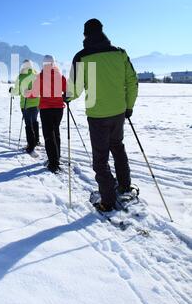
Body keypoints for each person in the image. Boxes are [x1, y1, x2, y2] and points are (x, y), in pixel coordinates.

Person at [67, 19, 138, 212]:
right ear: (102, 32)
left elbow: (75, 87)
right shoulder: (120, 53)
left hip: (98, 114)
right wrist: (129, 106)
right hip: (118, 112)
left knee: (100, 158)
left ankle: (107, 201)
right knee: (118, 147)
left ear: (85, 35)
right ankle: (124, 185)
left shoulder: (82, 57)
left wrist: (68, 97)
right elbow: (132, 80)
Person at [26, 55, 66, 173]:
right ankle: (57, 157)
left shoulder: (41, 77)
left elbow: (34, 93)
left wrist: (26, 93)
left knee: (49, 136)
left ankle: (53, 163)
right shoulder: (59, 75)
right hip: (59, 110)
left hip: (46, 109)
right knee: (56, 132)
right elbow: (67, 88)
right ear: (54, 63)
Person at [10, 60, 40, 154]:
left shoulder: (21, 77)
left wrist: (11, 91)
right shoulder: (37, 75)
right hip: (37, 103)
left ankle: (30, 145)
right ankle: (36, 140)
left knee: (28, 124)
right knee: (34, 121)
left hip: (26, 104)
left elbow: (17, 91)